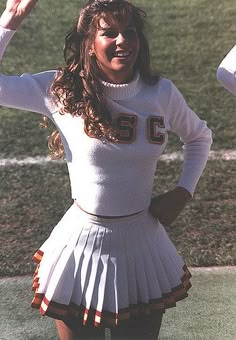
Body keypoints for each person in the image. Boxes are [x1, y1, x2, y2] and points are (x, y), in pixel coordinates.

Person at [0, 0, 212, 339]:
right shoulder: (60, 90)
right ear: (89, 43)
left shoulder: (161, 93)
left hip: (143, 243)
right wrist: (9, 20)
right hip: (83, 245)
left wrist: (183, 191)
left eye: (130, 32)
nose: (122, 41)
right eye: (108, 32)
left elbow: (200, 136)